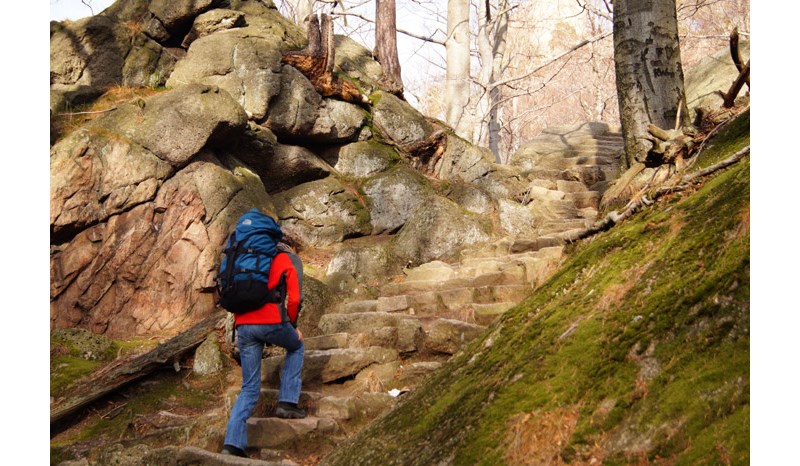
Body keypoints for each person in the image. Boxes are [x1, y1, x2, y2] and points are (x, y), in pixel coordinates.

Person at [221, 240, 306, 458]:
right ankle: (287, 402)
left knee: (249, 387)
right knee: (296, 346)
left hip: (244, 327)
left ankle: (232, 444)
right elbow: (295, 298)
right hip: (271, 322)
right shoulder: (286, 258)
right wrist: (293, 326)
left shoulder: (242, 260)